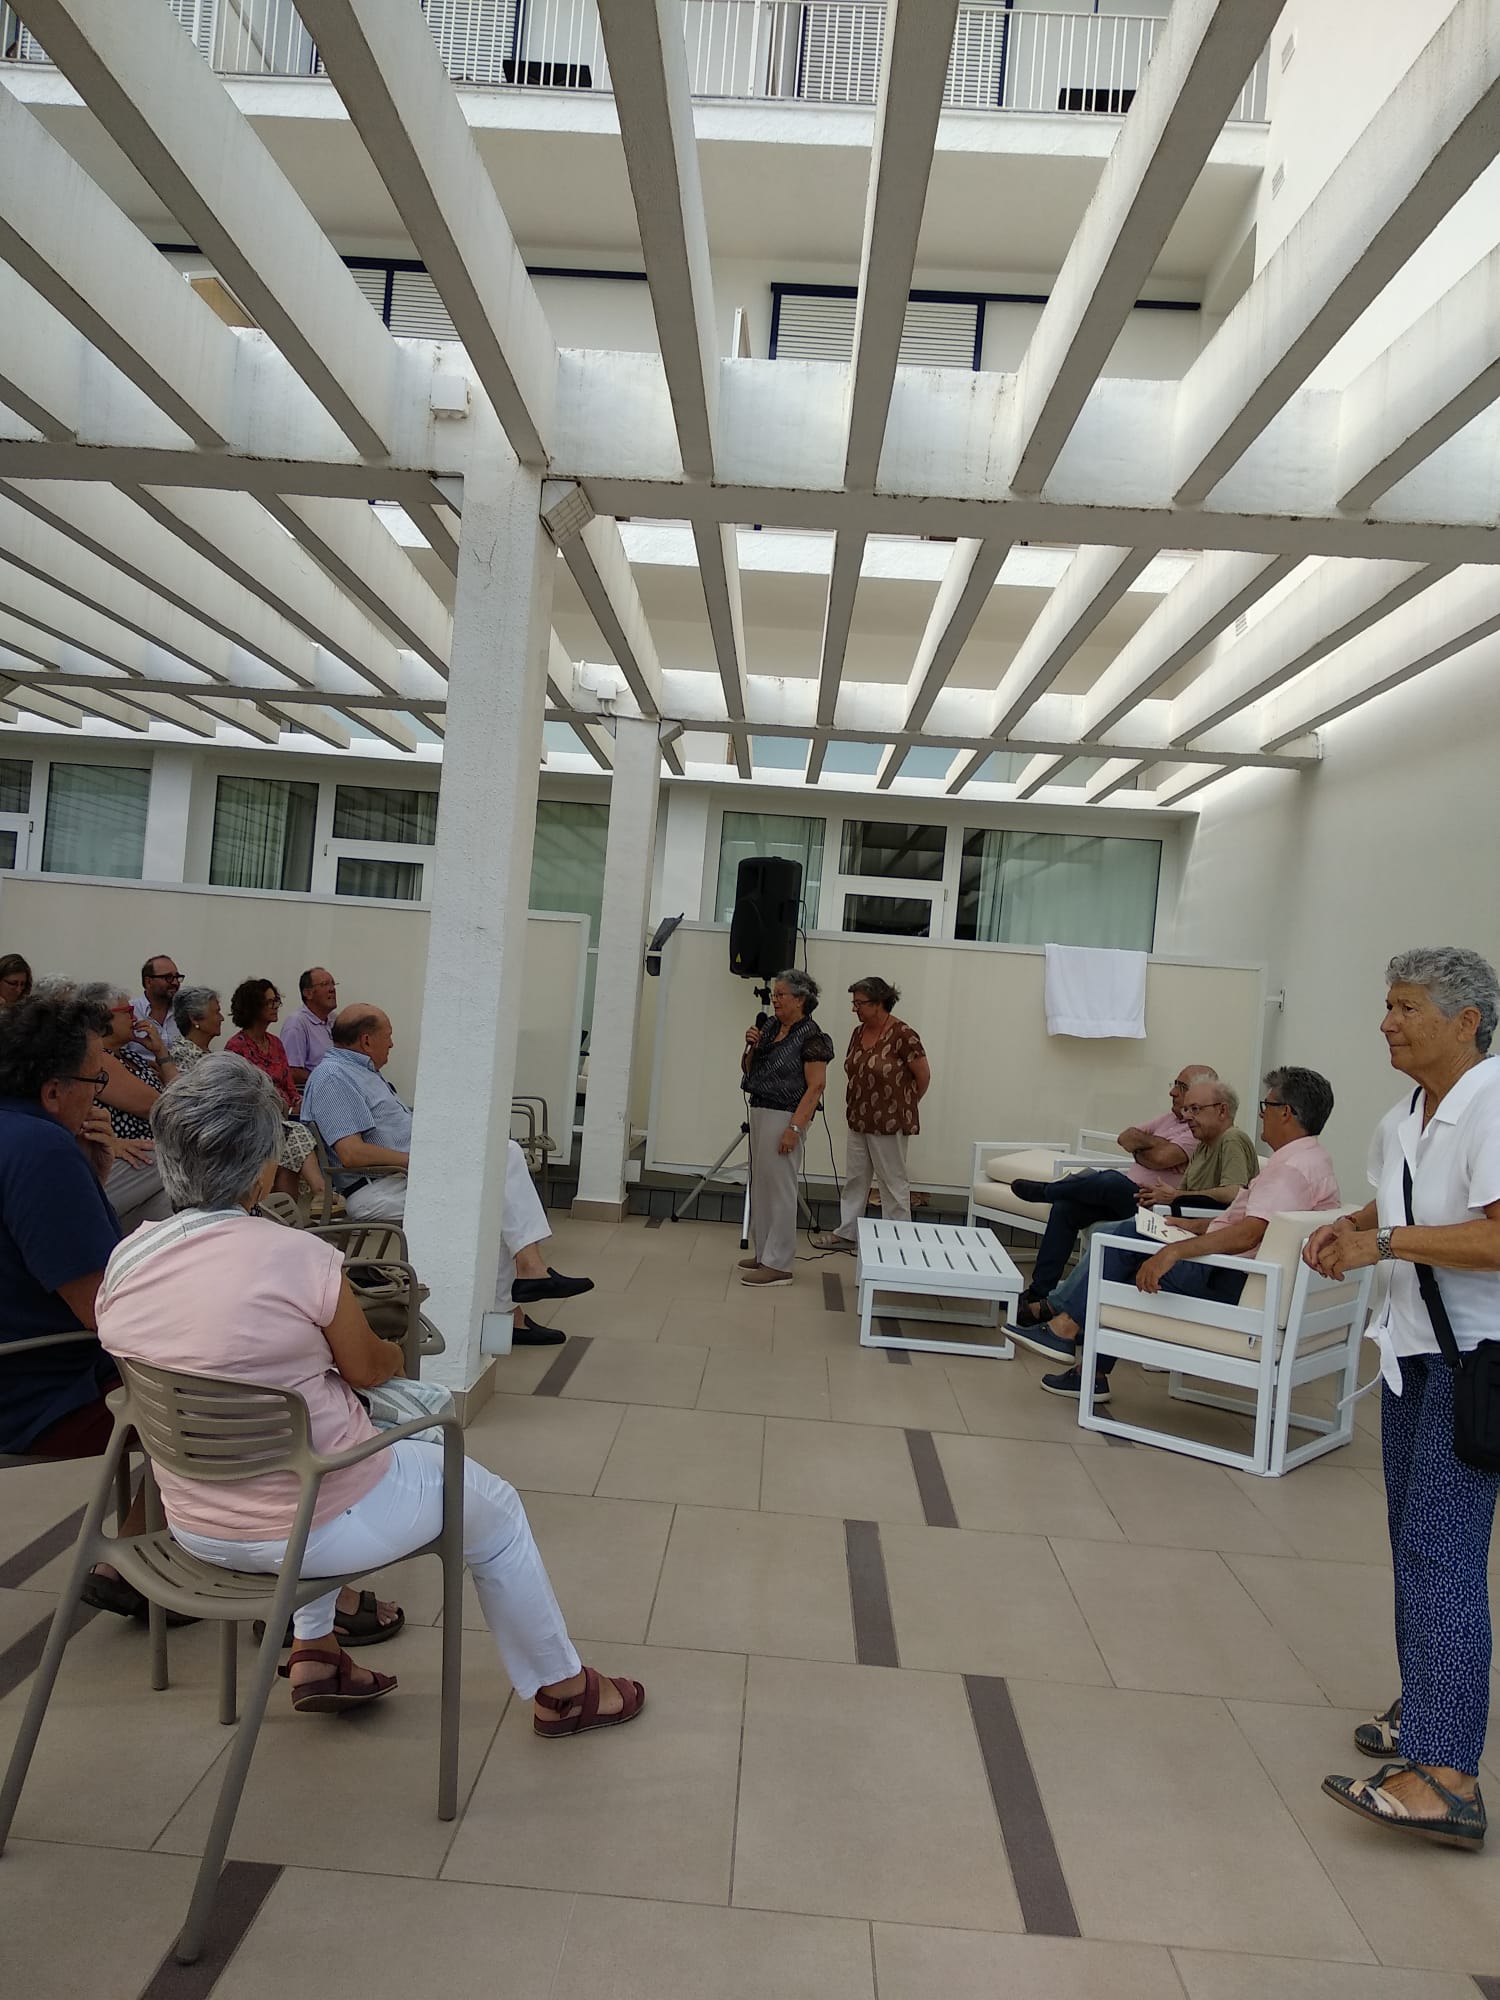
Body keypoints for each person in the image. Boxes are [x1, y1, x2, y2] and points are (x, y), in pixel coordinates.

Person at [95, 1057, 645, 1733]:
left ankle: (316, 1652)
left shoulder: (129, 1258)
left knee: (316, 1440)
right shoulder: (297, 1258)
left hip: (195, 1522)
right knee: (492, 1508)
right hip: (309, 1525)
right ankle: (564, 1690)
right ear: (262, 1169)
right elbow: (370, 1369)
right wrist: (378, 1350)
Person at [1310, 947, 1500, 1851]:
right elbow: (1399, 1203)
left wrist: (1382, 1242)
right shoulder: (1406, 1115)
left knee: (1444, 1555)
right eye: (1387, 1005)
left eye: (1407, 1007)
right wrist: (1349, 1225)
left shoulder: (1493, 1102)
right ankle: (1425, 1710)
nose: (1387, 1022)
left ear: (1466, 1021)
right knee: (1416, 1546)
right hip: (1414, 1357)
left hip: (1478, 1365)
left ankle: (1448, 1779)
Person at [1015, 1067, 1339, 1402]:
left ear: (1285, 1112)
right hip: (1242, 1274)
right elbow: (1250, 1223)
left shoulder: (1288, 1172)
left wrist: (1175, 1251)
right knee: (1130, 1238)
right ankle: (1082, 1360)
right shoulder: (1314, 1161)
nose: (1260, 1114)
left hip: (1228, 1279)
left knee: (1122, 1246)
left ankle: (1065, 1331)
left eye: (1266, 1105)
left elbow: (1248, 1235)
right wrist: (1190, 1226)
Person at [300, 1004, 589, 1346]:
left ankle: (521, 1294)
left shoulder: (363, 1073)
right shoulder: (333, 1077)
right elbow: (351, 1153)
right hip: (376, 1188)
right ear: (366, 1041)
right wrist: (422, 1162)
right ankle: (521, 1291)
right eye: (388, 1037)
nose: (392, 1044)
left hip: (405, 1177)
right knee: (498, 1184)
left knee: (501, 1171)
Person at [1008, 1064, 1216, 1327]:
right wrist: (1150, 1148)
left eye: (1181, 1087)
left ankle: (1048, 1190)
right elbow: (1126, 1137)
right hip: (1125, 1197)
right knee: (1066, 1209)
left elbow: (1161, 1157)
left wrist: (1145, 1148)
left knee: (1110, 1180)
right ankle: (1039, 1293)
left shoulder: (1197, 1132)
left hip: (1152, 1207)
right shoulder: (1169, 1119)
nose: (1173, 1092)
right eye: (1174, 1084)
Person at [812, 975, 930, 1254]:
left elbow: (923, 1076)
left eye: (860, 1003)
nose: (855, 1009)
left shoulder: (903, 1034)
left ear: (879, 1003)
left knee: (892, 1181)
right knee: (856, 1178)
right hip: (858, 1118)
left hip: (889, 1122)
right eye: (854, 1003)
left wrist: (904, 1105)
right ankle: (848, 1233)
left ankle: (897, 1240)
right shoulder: (858, 1032)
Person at [740, 968, 834, 1289]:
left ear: (800, 999)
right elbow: (749, 1069)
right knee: (761, 1185)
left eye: (781, 995)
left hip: (785, 1115)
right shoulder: (769, 1027)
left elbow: (816, 1086)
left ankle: (779, 1264)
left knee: (780, 1188)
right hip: (760, 1108)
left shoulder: (812, 1037)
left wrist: (795, 1128)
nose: (775, 1000)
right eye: (774, 994)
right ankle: (764, 1253)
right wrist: (751, 1046)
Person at [79, 980, 176, 1227]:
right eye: (127, 1011)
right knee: (180, 1162)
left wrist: (161, 1054)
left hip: (143, 1165)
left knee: (170, 1204)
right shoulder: (98, 1060)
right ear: (105, 1017)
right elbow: (165, 1109)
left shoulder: (132, 1057)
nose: (134, 1017)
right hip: (126, 1162)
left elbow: (178, 1098)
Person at [223, 977, 324, 1206]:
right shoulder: (236, 1047)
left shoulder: (276, 1043)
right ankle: (322, 1191)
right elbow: (238, 1093)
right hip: (255, 1120)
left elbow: (289, 1085)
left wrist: (297, 1102)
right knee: (295, 1134)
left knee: (289, 1150)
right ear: (253, 1006)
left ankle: (284, 1214)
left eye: (276, 1001)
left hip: (284, 1116)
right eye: (269, 1002)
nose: (275, 1006)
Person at [281, 965, 338, 1090]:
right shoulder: (296, 1023)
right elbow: (292, 1071)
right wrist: (326, 1080)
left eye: (333, 984)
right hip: (317, 1091)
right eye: (325, 984)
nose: (332, 989)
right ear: (308, 993)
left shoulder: (334, 1019)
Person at [132, 954, 184, 1063]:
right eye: (168, 977)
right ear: (148, 981)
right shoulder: (130, 1012)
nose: (175, 982)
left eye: (177, 977)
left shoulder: (184, 1012)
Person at [168, 985, 224, 1075]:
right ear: (194, 1019)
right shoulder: (182, 1056)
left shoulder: (206, 1055)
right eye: (217, 1012)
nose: (222, 1018)